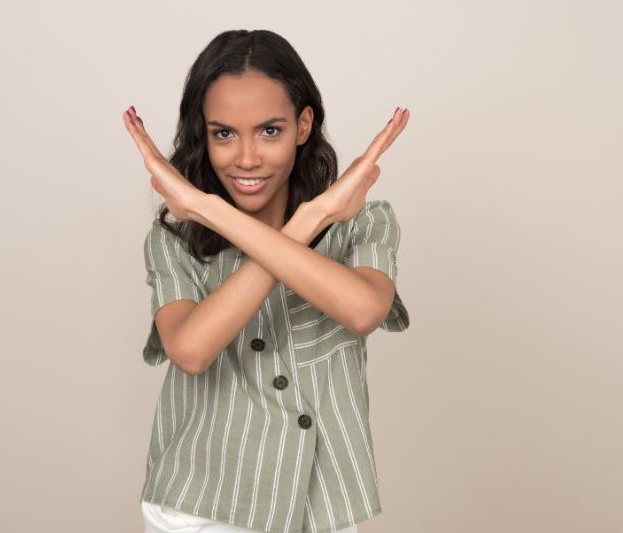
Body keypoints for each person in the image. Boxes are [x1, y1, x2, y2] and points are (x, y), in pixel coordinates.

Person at [123, 29, 411, 533]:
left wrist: (214, 208)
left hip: (323, 507)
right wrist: (301, 218)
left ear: (303, 126)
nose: (247, 158)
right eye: (224, 133)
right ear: (204, 133)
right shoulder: (174, 242)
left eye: (270, 131)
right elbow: (190, 350)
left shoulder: (363, 223)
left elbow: (364, 310)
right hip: (201, 510)